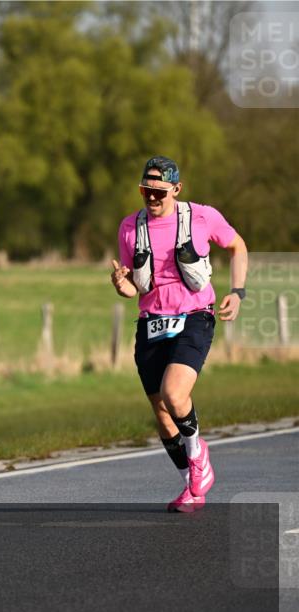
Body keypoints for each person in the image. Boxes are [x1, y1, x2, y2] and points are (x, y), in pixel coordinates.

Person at [111, 156, 248, 513]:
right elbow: (132, 289)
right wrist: (120, 283)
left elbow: (238, 246)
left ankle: (199, 459)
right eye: (146, 191)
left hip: (194, 317)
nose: (151, 198)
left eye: (158, 191)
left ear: (175, 188)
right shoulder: (130, 227)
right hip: (151, 322)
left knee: (175, 392)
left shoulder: (202, 217)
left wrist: (238, 290)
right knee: (161, 412)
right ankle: (193, 485)